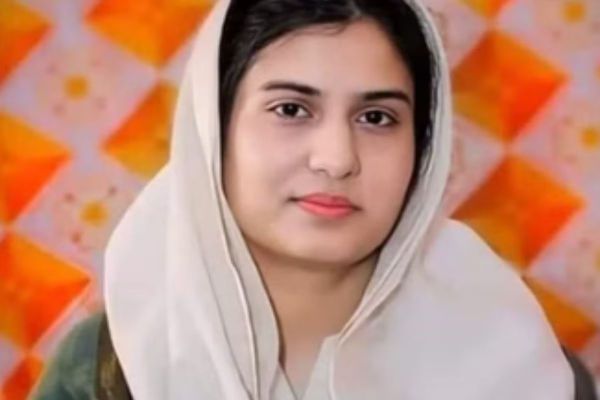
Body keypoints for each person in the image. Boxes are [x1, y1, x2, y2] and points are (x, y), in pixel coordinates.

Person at [31, 0, 576, 399]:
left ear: (424, 148)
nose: (337, 159)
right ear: (212, 131)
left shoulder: (511, 357)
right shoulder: (111, 366)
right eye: (291, 109)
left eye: (377, 117)